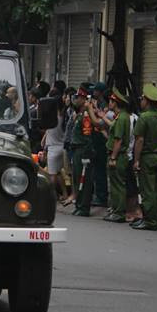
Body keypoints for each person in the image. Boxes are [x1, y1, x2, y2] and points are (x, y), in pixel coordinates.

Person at [131, 84, 157, 231]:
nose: (141, 101)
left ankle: (149, 220)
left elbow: (139, 140)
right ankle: (154, 218)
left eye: (142, 98)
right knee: (156, 190)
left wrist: (136, 160)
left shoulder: (144, 117)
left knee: (147, 191)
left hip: (147, 157)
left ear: (147, 101)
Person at [103, 88, 131, 223]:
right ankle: (116, 210)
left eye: (111, 101)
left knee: (117, 185)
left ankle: (119, 212)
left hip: (118, 156)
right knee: (116, 184)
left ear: (116, 103)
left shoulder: (121, 118)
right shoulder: (122, 116)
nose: (109, 103)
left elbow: (118, 140)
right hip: (118, 155)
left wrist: (113, 157)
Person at [68, 86, 94, 217]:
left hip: (83, 150)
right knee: (77, 178)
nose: (75, 99)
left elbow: (87, 136)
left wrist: (86, 153)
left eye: (78, 97)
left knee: (84, 179)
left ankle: (84, 207)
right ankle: (79, 204)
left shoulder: (86, 116)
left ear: (84, 99)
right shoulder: (78, 114)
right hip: (77, 149)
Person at [40, 85, 67, 203]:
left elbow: (46, 128)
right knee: (59, 172)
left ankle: (51, 197)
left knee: (52, 175)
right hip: (62, 147)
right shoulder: (63, 117)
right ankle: (65, 194)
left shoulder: (51, 118)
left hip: (53, 149)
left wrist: (45, 145)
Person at [88, 83, 110, 208]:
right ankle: (99, 195)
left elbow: (98, 123)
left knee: (100, 171)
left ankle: (102, 197)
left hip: (102, 142)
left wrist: (91, 110)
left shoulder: (106, 107)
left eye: (95, 91)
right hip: (97, 141)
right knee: (96, 171)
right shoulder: (99, 105)